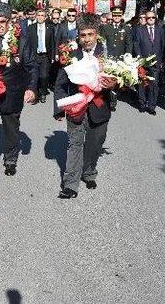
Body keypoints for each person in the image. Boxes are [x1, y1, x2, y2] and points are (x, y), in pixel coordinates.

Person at [54, 14, 118, 199]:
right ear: (78, 35)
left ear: (97, 34)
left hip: (100, 105)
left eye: (90, 34)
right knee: (74, 144)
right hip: (76, 106)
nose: (87, 39)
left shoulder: (108, 52)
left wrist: (113, 84)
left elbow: (121, 79)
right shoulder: (70, 53)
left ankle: (89, 172)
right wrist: (59, 108)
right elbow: (60, 83)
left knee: (95, 143)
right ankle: (70, 184)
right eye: (83, 35)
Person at [0, 2, 37, 180]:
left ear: (9, 21)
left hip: (12, 94)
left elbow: (31, 66)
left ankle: (10, 160)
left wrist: (31, 88)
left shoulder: (21, 41)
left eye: (2, 22)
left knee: (11, 131)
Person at [100, 7, 133, 110]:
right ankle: (106, 99)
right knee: (106, 79)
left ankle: (113, 100)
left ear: (122, 16)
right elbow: (101, 42)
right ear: (112, 16)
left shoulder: (126, 28)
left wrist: (128, 56)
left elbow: (129, 44)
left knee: (116, 81)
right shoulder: (106, 28)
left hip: (120, 59)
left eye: (119, 15)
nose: (117, 17)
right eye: (115, 15)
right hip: (108, 58)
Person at [134, 11, 165, 114]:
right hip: (143, 61)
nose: (151, 19)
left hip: (156, 62)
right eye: (148, 18)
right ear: (145, 19)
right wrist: (139, 58)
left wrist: (162, 60)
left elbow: (162, 45)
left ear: (155, 19)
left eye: (153, 17)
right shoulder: (140, 29)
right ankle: (142, 104)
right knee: (142, 83)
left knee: (154, 84)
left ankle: (152, 106)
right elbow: (136, 44)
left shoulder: (160, 30)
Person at [28, 8, 53, 103]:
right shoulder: (31, 27)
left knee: (44, 76)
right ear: (36, 16)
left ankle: (43, 92)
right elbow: (28, 43)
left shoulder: (50, 28)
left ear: (45, 17)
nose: (40, 17)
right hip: (34, 55)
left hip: (45, 56)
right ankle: (36, 94)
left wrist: (54, 55)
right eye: (38, 15)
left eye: (42, 15)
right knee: (34, 76)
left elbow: (52, 43)